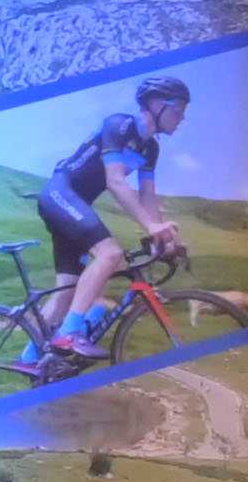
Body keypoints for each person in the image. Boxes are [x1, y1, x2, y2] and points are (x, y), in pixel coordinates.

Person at [41, 79, 187, 338]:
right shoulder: (119, 126)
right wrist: (151, 226)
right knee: (110, 253)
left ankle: (31, 361)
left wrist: (161, 236)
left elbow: (148, 195)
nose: (182, 117)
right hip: (60, 194)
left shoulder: (150, 149)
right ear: (156, 105)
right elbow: (116, 182)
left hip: (75, 207)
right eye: (178, 109)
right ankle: (68, 335)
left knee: (67, 292)